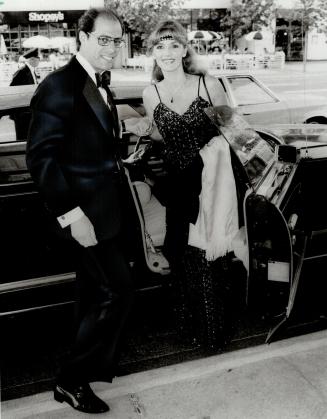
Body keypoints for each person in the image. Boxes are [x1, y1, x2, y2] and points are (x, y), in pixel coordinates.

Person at [26, 8, 135, 414]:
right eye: (104, 39)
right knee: (116, 292)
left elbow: (91, 146)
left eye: (117, 40)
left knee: (92, 295)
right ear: (83, 38)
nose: (112, 47)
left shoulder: (100, 83)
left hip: (107, 210)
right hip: (82, 216)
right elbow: (42, 159)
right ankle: (71, 379)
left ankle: (84, 370)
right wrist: (74, 216)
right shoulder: (59, 84)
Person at [129, 20, 238, 349]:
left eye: (173, 44)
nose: (167, 52)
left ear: (185, 48)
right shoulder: (151, 93)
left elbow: (234, 132)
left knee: (208, 256)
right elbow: (164, 137)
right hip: (178, 185)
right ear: (152, 53)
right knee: (180, 256)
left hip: (211, 183)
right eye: (160, 46)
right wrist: (145, 131)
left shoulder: (209, 85)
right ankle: (188, 327)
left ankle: (212, 334)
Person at [10, 48, 40, 140]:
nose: (39, 61)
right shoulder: (22, 72)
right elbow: (13, 91)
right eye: (38, 58)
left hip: (28, 112)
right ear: (32, 59)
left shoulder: (31, 71)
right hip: (22, 113)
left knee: (28, 138)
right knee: (22, 139)